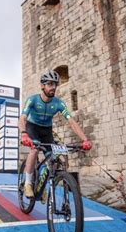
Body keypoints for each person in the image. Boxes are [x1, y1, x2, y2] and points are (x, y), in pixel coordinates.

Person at [19, 69, 92, 199]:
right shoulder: (33, 100)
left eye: (55, 84)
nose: (53, 87)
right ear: (42, 86)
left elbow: (71, 121)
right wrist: (24, 133)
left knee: (54, 160)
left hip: (47, 131)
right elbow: (23, 118)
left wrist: (85, 139)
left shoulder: (58, 103)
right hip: (32, 128)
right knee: (34, 150)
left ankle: (41, 185)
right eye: (50, 84)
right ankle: (28, 184)